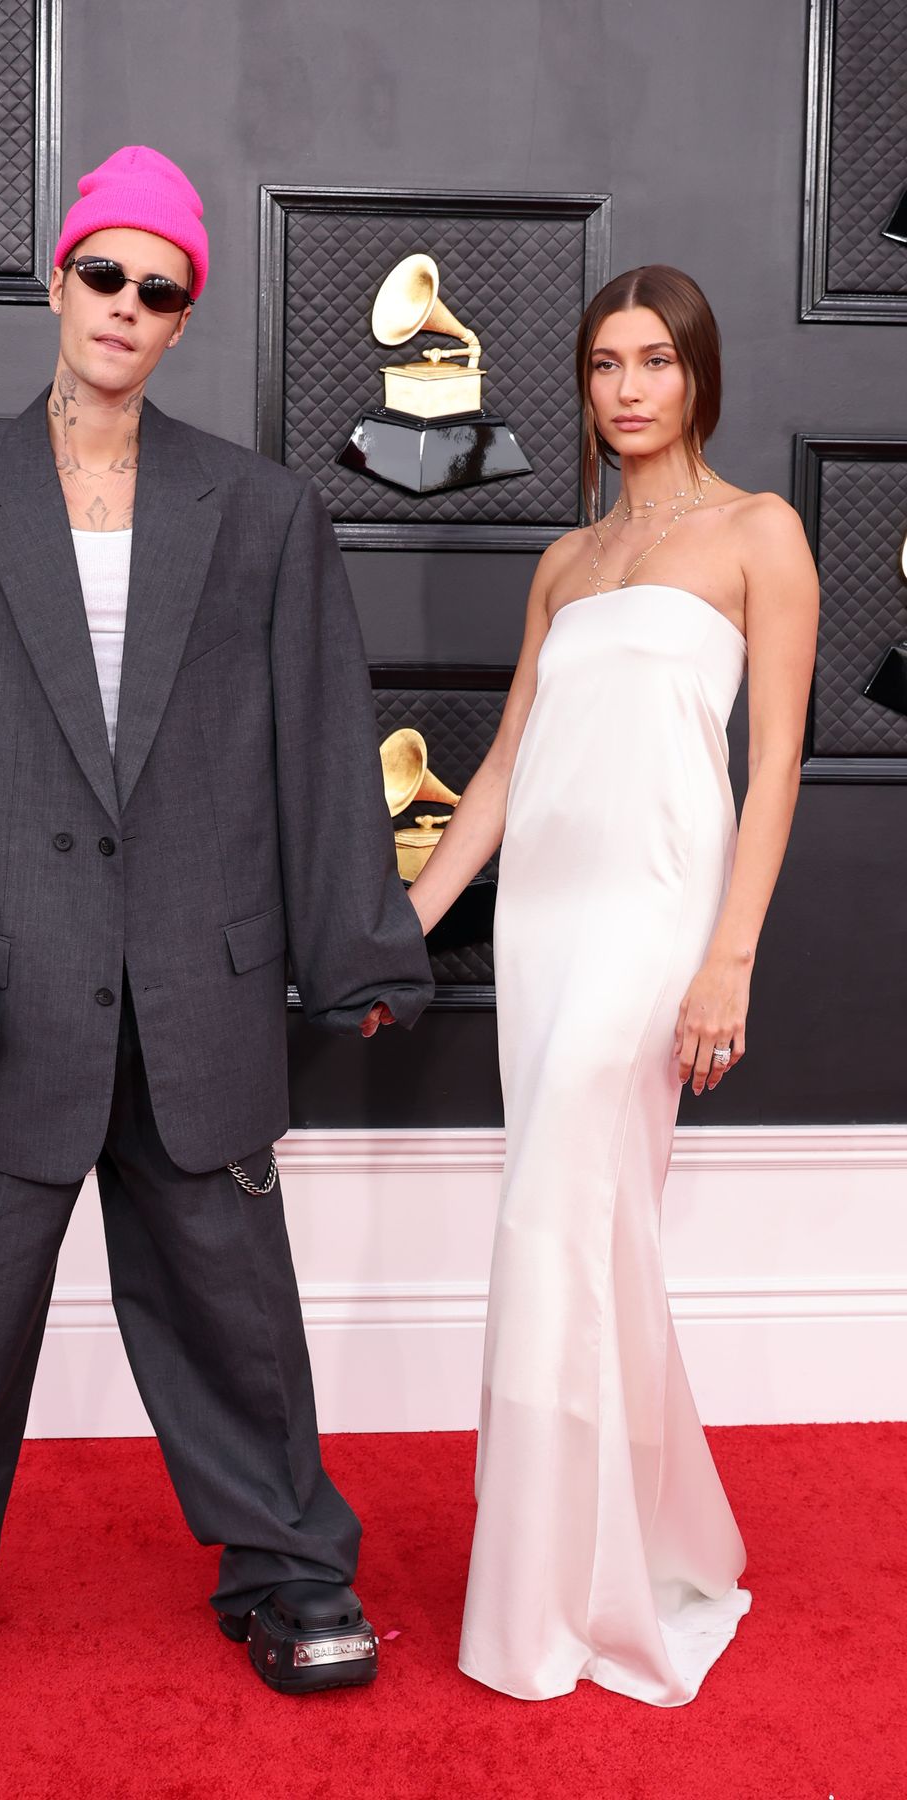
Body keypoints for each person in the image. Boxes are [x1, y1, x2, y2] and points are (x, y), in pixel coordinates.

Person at [0, 146, 433, 1696]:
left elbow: (319, 741)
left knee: (234, 1317)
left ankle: (291, 1571)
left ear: (182, 318)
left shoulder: (265, 512)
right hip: (1, 989)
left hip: (198, 987)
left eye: (160, 290)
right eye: (106, 273)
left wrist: (357, 942)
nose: (126, 306)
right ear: (59, 279)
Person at [406, 265, 818, 1706]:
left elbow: (776, 763)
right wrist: (410, 920)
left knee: (555, 1216)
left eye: (656, 360)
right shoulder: (568, 562)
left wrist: (729, 957)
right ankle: (631, 1543)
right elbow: (503, 768)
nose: (630, 388)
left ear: (698, 374)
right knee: (586, 1232)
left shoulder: (760, 533)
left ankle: (550, 1600)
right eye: (604, 363)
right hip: (546, 916)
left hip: (658, 913)